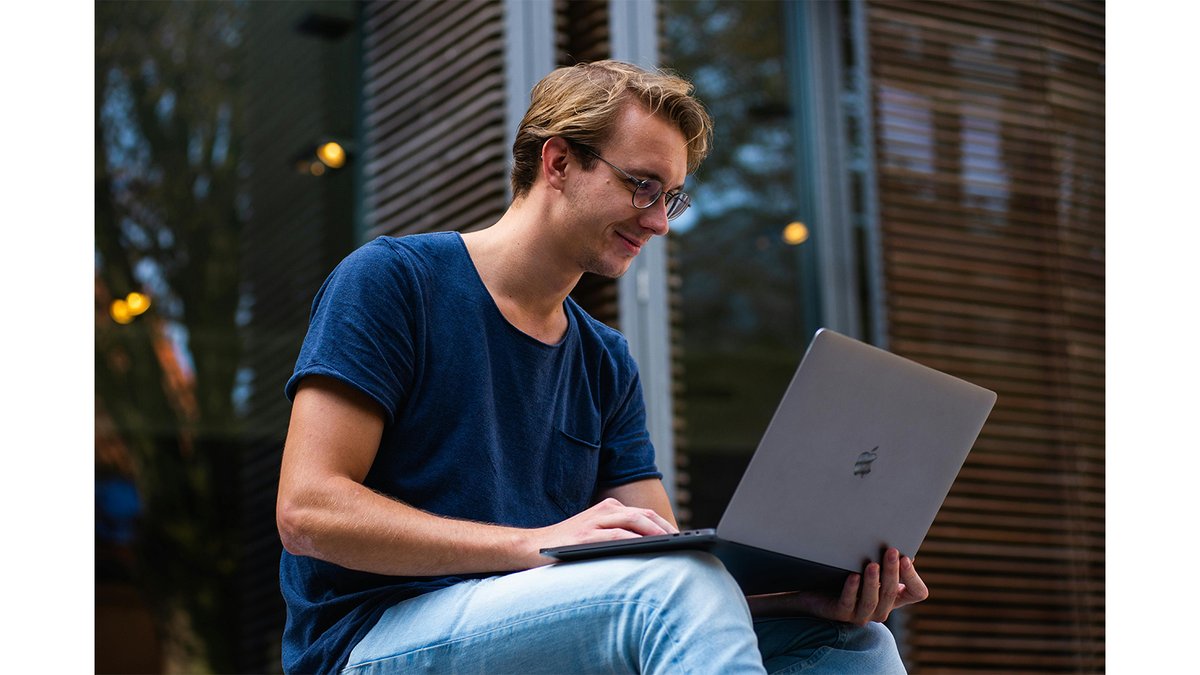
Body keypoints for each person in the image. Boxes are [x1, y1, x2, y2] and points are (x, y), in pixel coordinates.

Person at [276, 59, 928, 674]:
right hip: (371, 639)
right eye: (643, 186)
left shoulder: (604, 359)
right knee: (677, 584)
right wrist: (535, 543)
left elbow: (665, 563)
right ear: (559, 162)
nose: (659, 222)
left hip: (535, 627)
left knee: (851, 642)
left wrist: (798, 597)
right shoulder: (395, 282)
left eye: (672, 198)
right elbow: (307, 512)